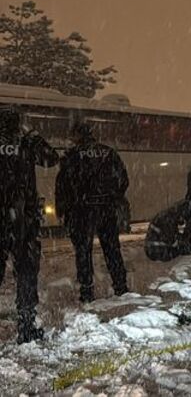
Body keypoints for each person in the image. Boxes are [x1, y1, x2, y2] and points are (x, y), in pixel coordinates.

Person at [0, 107, 58, 343]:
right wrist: (32, 134)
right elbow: (51, 159)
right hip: (22, 217)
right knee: (25, 270)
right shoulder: (26, 142)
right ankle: (26, 325)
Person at [56, 121, 129, 303]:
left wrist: (63, 209)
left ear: (77, 136)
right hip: (106, 209)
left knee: (83, 252)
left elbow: (62, 186)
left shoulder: (72, 156)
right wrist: (112, 197)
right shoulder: (109, 152)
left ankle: (87, 292)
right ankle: (121, 286)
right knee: (112, 249)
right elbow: (123, 180)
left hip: (82, 211)